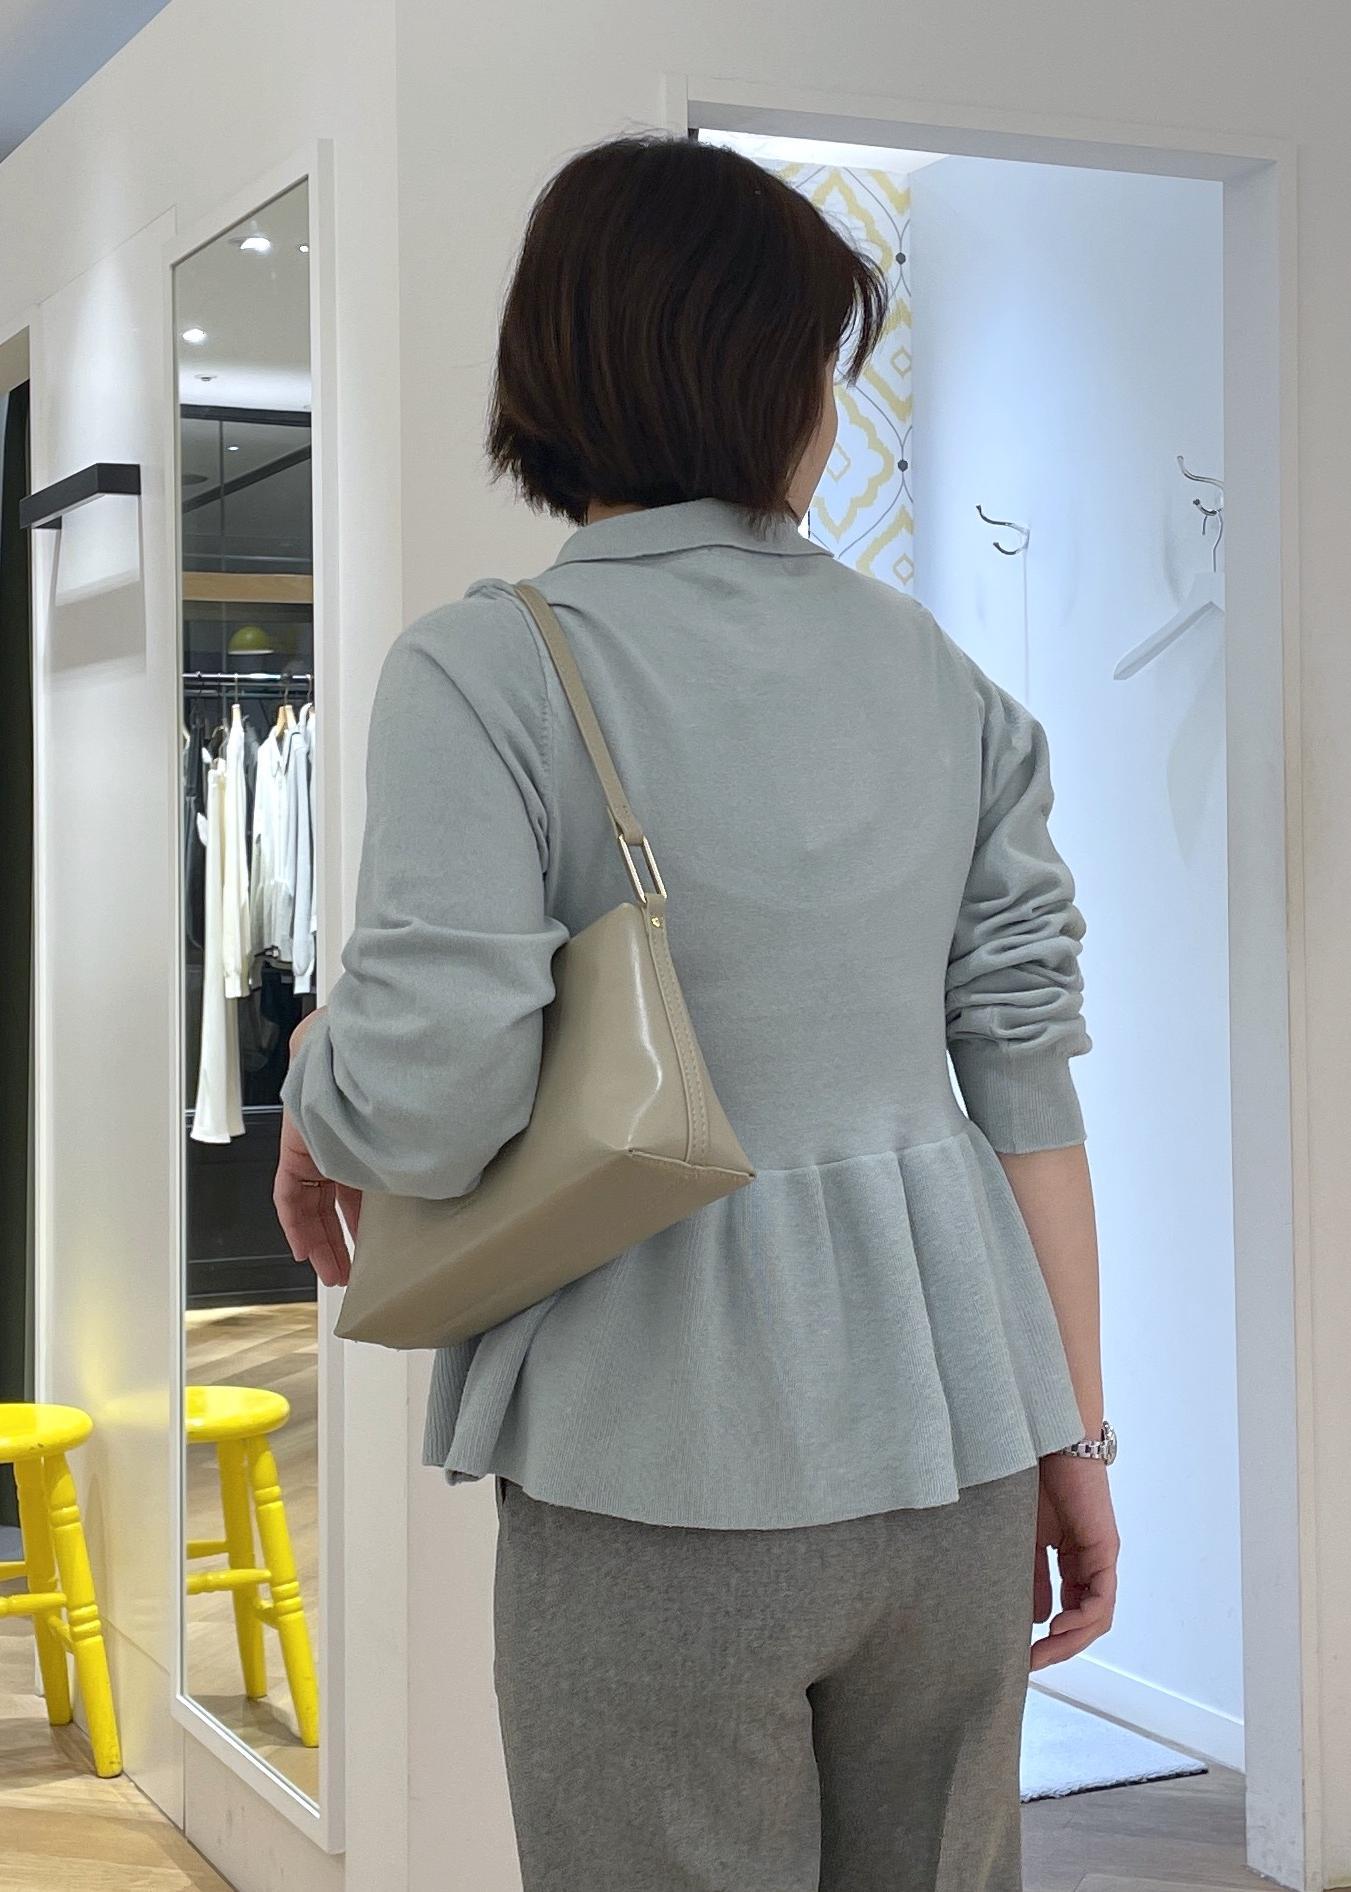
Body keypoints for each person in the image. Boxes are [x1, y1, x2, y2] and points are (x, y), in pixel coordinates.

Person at [275, 132, 1120, 1892]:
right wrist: (1075, 1438)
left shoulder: (489, 667)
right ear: (754, 376)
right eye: (817, 360)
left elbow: (428, 1095)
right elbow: (1026, 1084)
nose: (826, 407)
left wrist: (311, 1078)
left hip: (653, 1459)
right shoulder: (945, 680)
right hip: (958, 1450)